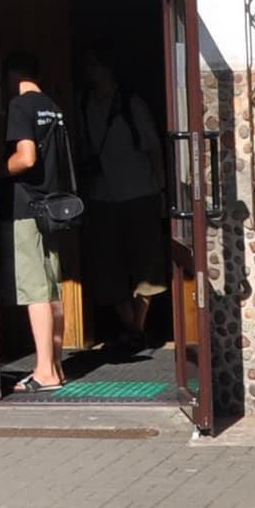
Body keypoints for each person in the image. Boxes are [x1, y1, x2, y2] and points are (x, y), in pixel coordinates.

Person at [76, 51, 167, 345]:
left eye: (94, 63)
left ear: (109, 68)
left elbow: (153, 147)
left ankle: (137, 325)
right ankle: (132, 327)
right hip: (101, 195)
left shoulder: (131, 103)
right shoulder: (83, 103)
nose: (89, 69)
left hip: (140, 192)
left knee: (146, 262)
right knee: (107, 262)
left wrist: (162, 189)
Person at [2, 51, 76, 390]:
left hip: (28, 207)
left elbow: (26, 157)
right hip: (52, 207)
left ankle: (43, 371)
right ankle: (56, 366)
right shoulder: (53, 107)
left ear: (13, 76)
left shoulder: (20, 106)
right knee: (52, 287)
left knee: (34, 290)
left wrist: (0, 168)